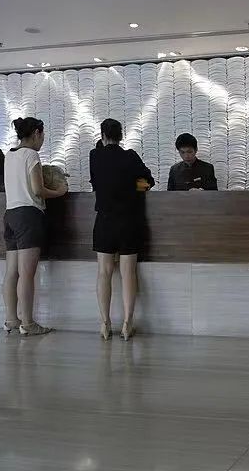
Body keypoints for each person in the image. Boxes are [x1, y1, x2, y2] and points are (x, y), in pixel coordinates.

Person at [90, 118, 155, 341]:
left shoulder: (94, 156)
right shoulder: (130, 156)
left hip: (104, 220)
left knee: (104, 272)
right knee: (128, 273)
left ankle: (105, 323)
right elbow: (148, 182)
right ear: (121, 136)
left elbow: (96, 183)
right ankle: (127, 323)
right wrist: (133, 188)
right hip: (129, 220)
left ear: (102, 135)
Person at [2, 118, 67, 336]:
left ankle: (12, 319)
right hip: (28, 215)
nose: (43, 140)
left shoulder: (9, 155)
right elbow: (38, 190)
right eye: (43, 135)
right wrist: (59, 192)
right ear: (37, 133)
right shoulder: (31, 155)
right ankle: (28, 323)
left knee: (12, 272)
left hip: (10, 214)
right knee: (27, 274)